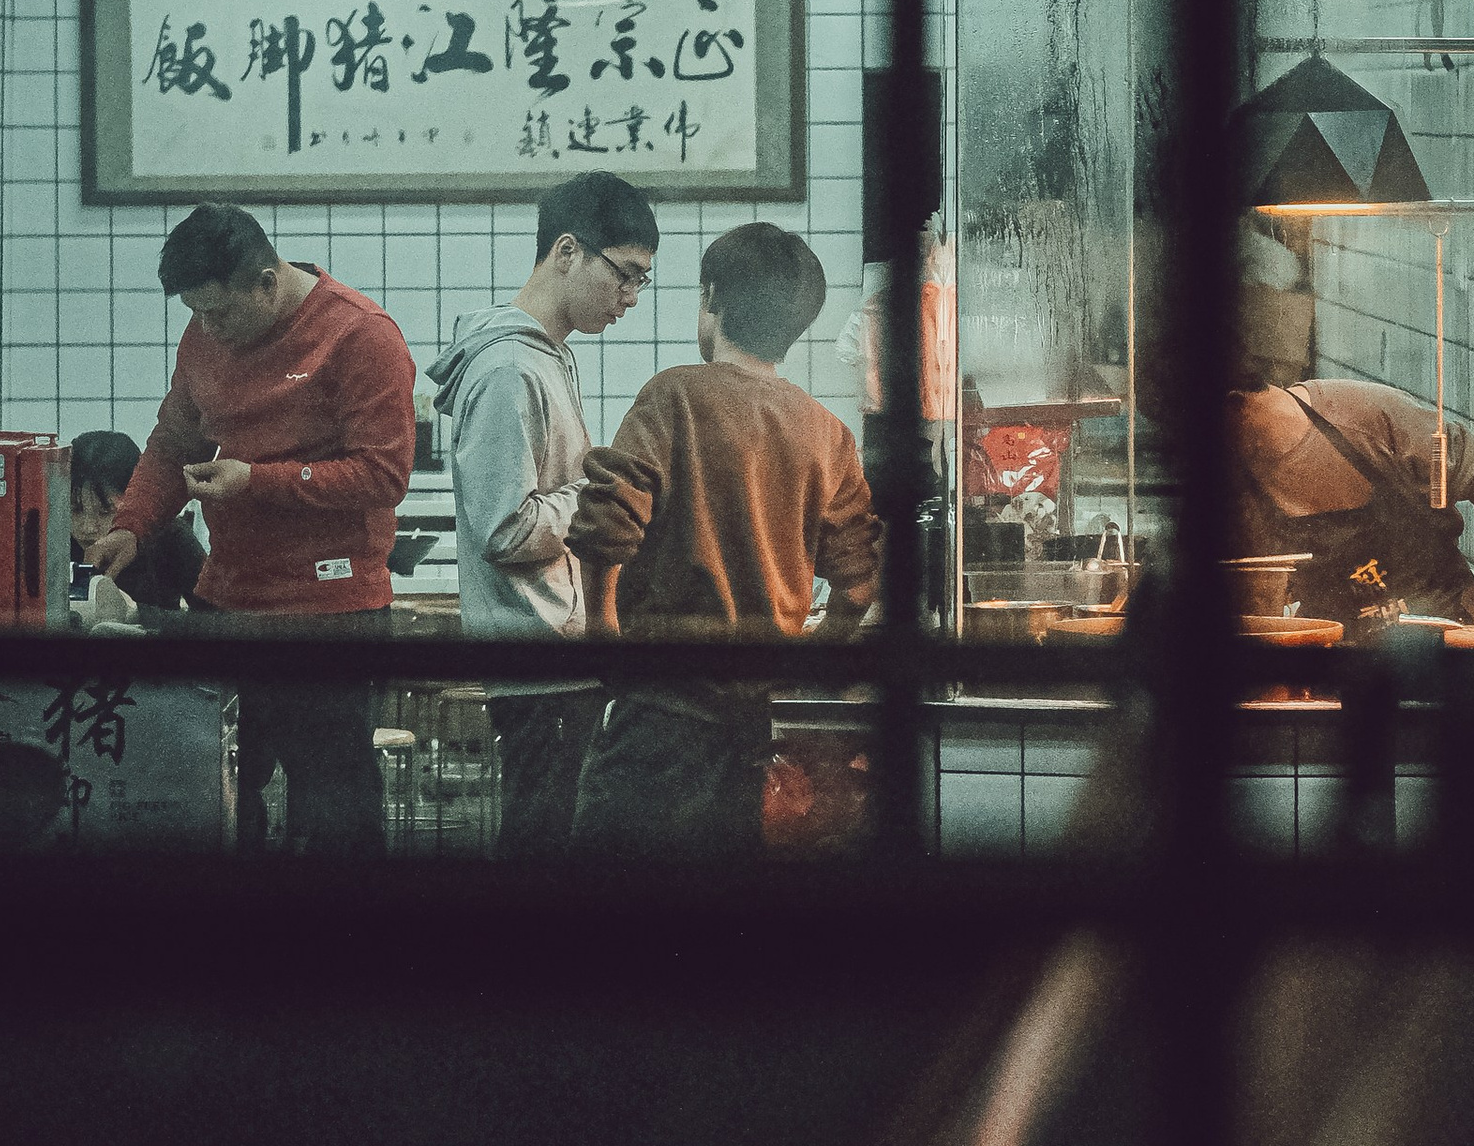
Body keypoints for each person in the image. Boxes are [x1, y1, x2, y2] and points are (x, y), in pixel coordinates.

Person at [82, 202, 414, 857]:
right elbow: (175, 440)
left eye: (222, 312)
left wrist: (256, 480)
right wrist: (131, 526)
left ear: (267, 281)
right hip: (229, 599)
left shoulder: (359, 336)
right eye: (196, 315)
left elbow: (384, 475)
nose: (210, 329)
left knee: (333, 807)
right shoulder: (205, 336)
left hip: (329, 611)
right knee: (222, 794)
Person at [569, 222, 879, 856]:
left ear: (711, 299)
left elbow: (607, 522)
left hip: (657, 713)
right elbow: (856, 584)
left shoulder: (673, 396)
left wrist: (603, 629)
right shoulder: (825, 433)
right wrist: (809, 662)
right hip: (751, 727)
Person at [425, 170, 661, 858]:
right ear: (567, 252)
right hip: (541, 661)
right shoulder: (508, 369)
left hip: (555, 654)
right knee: (543, 846)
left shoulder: (546, 358)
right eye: (625, 274)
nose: (630, 297)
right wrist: (597, 495)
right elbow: (506, 529)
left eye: (642, 281)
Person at [1230, 353, 1474, 629]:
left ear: (1234, 404)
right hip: (1335, 652)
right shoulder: (1237, 476)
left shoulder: (1368, 417)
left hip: (1440, 630)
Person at [68, 427, 207, 612]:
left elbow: (219, 620)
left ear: (137, 503)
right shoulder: (51, 543)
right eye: (75, 510)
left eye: (105, 512)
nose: (88, 528)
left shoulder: (171, 537)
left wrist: (137, 615)